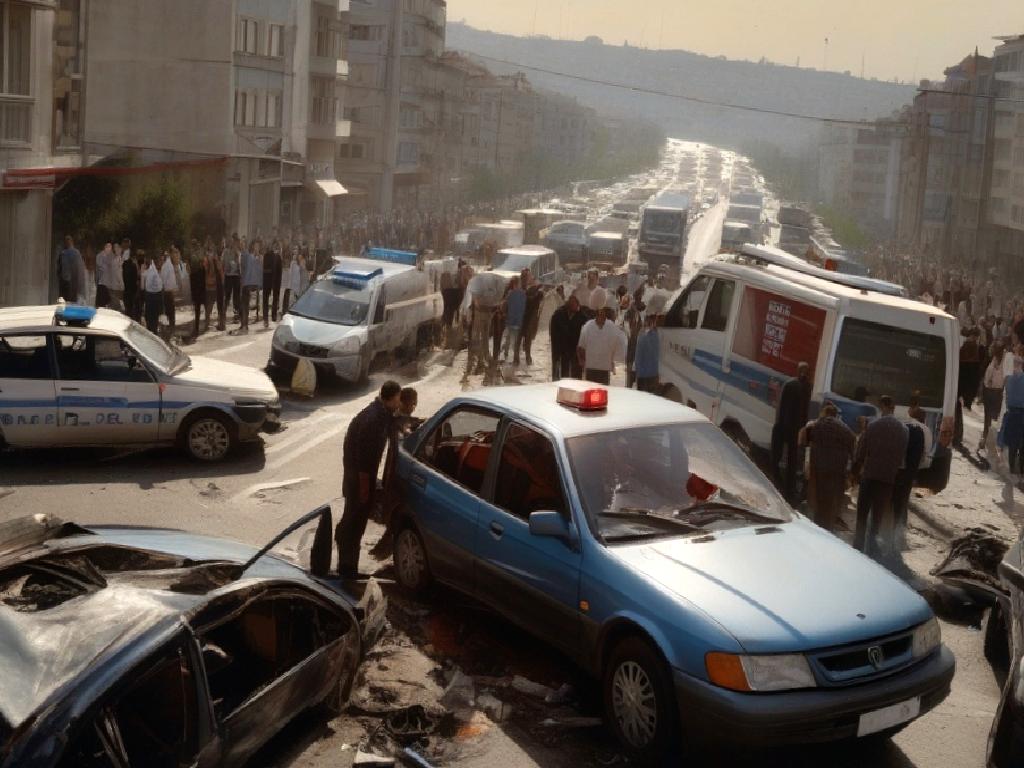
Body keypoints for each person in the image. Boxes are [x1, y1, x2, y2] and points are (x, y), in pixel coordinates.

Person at [337, 381, 402, 579]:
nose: (399, 403)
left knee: (353, 522)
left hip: (356, 478)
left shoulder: (380, 413)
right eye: (398, 399)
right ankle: (347, 570)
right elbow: (364, 463)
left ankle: (346, 563)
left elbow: (395, 423)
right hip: (358, 480)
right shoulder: (373, 421)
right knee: (354, 524)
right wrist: (365, 491)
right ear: (390, 398)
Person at [852, 395, 909, 558]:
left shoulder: (873, 425)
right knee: (877, 516)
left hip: (870, 475)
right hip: (887, 480)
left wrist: (856, 470)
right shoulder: (903, 430)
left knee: (862, 514)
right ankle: (871, 550)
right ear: (894, 408)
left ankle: (857, 548)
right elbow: (901, 460)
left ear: (882, 406)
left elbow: (861, 451)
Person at [800, 402, 856, 533]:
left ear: (824, 413)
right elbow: (853, 452)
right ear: (836, 415)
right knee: (831, 502)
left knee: (816, 499)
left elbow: (803, 442)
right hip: (837, 471)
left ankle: (814, 528)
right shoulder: (846, 430)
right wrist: (850, 474)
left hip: (818, 469)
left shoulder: (815, 425)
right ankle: (827, 530)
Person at [771, 362, 812, 505]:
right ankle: (788, 491)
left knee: (777, 459)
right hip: (794, 429)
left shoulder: (791, 384)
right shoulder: (806, 387)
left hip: (785, 427)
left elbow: (782, 408)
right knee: (792, 462)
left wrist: (782, 426)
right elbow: (803, 411)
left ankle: (777, 486)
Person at [892, 415, 926, 550]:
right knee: (902, 504)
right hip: (909, 474)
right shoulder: (922, 432)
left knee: (891, 501)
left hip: (897, 472)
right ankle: (899, 536)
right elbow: (923, 456)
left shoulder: (902, 430)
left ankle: (889, 534)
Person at [577, 306, 626, 385]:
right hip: (591, 367)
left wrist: (613, 360)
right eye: (600, 314)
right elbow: (581, 346)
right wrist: (581, 361)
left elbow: (619, 344)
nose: (601, 316)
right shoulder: (588, 326)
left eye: (603, 314)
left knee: (601, 391)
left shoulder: (611, 327)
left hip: (604, 368)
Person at [998, 357, 1024, 477]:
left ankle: (1013, 468)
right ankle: (1020, 469)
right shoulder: (1015, 379)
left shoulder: (1008, 380)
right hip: (1020, 413)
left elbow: (1007, 398)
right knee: (1020, 443)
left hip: (1013, 413)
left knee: (1013, 443)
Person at [549, 295, 585, 380]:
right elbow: (554, 334)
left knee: (575, 374)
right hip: (562, 348)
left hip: (575, 348)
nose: (575, 306)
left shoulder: (581, 316)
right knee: (562, 373)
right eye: (572, 304)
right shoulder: (558, 315)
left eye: (575, 304)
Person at [981, 343, 1007, 449]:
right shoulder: (1002, 362)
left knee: (989, 418)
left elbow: (987, 380)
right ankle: (993, 441)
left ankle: (986, 439)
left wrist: (987, 383)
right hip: (998, 392)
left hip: (992, 392)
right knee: (995, 418)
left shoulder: (993, 364)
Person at [518, 269, 544, 366]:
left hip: (531, 316)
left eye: (527, 276)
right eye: (524, 276)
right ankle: (517, 357)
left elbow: (539, 299)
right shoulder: (520, 287)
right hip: (521, 315)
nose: (526, 278)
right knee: (519, 336)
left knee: (528, 337)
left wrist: (538, 291)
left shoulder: (534, 287)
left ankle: (527, 356)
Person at [235, 238, 261, 335]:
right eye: (240, 243)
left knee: (244, 304)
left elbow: (246, 269)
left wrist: (244, 281)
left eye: (242, 244)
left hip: (245, 282)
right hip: (243, 281)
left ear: (245, 245)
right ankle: (244, 323)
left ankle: (244, 324)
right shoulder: (242, 254)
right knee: (244, 303)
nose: (241, 245)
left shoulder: (245, 255)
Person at [633, 313, 660, 392]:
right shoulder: (658, 337)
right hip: (654, 374)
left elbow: (638, 357)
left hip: (643, 375)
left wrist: (636, 373)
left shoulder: (642, 337)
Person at [502, 277, 525, 364]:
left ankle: (506, 355)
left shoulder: (510, 294)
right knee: (516, 341)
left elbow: (505, 307)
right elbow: (524, 308)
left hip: (510, 320)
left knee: (508, 338)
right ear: (518, 284)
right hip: (519, 321)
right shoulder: (523, 294)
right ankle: (516, 359)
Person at [58, 235, 86, 303]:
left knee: (66, 300)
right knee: (71, 301)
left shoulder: (64, 253)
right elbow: (79, 269)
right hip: (71, 281)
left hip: (67, 281)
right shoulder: (75, 253)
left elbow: (59, 269)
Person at [189, 244, 208, 339]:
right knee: (204, 309)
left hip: (197, 294)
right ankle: (205, 326)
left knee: (198, 311)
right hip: (202, 293)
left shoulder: (193, 273)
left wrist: (192, 296)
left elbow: (192, 286)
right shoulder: (202, 271)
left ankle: (197, 327)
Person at [262, 240, 283, 327]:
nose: (275, 247)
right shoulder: (267, 255)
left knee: (275, 299)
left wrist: (279, 281)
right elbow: (264, 268)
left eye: (276, 246)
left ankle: (273, 316)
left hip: (276, 281)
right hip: (267, 280)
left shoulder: (278, 257)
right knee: (265, 300)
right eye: (274, 246)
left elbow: (280, 271)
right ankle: (265, 318)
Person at [142, 254, 164, 334]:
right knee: (154, 322)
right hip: (154, 298)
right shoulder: (154, 272)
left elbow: (143, 287)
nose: (161, 263)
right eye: (160, 261)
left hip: (150, 298)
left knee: (151, 322)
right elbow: (159, 287)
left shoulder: (149, 272)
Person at [159, 248, 178, 333]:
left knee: (169, 312)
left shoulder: (167, 265)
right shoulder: (167, 265)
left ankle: (170, 331)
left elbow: (165, 280)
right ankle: (171, 331)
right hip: (169, 292)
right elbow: (164, 279)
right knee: (170, 312)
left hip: (169, 292)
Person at [222, 236, 241, 323]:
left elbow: (240, 264)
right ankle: (223, 312)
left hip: (236, 276)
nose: (233, 244)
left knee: (236, 296)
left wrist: (237, 256)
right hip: (228, 276)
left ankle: (236, 313)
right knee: (227, 295)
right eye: (232, 242)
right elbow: (222, 262)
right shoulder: (225, 252)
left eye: (234, 242)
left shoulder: (238, 252)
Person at [122, 246, 140, 321]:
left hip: (126, 289)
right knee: (131, 307)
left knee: (127, 308)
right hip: (132, 290)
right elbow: (136, 277)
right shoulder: (133, 265)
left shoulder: (123, 265)